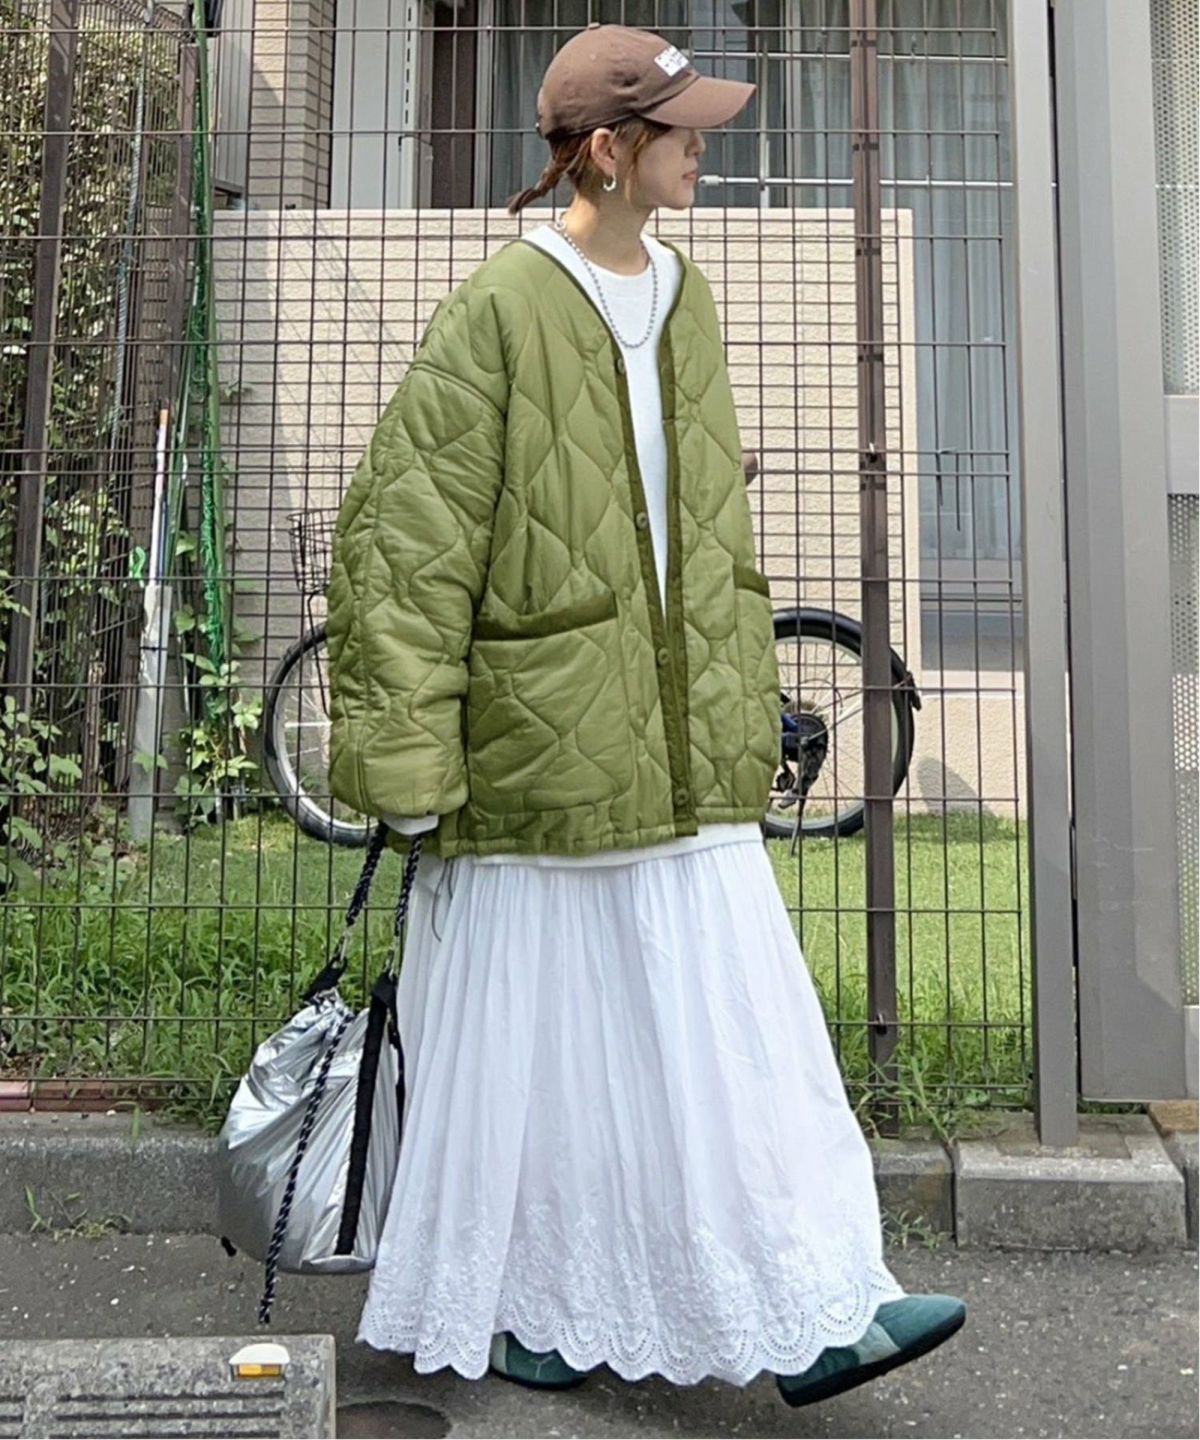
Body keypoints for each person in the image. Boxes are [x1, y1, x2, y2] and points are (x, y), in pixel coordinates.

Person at [325, 20, 965, 1409]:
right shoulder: (502, 305)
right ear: (611, 151)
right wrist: (409, 762)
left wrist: (741, 692)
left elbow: (709, 526)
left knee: (739, 1031)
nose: (704, 155)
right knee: (542, 1065)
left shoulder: (685, 294)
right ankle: (529, 1312)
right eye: (684, 135)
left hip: (679, 742)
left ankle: (821, 1301)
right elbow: (405, 544)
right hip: (541, 744)